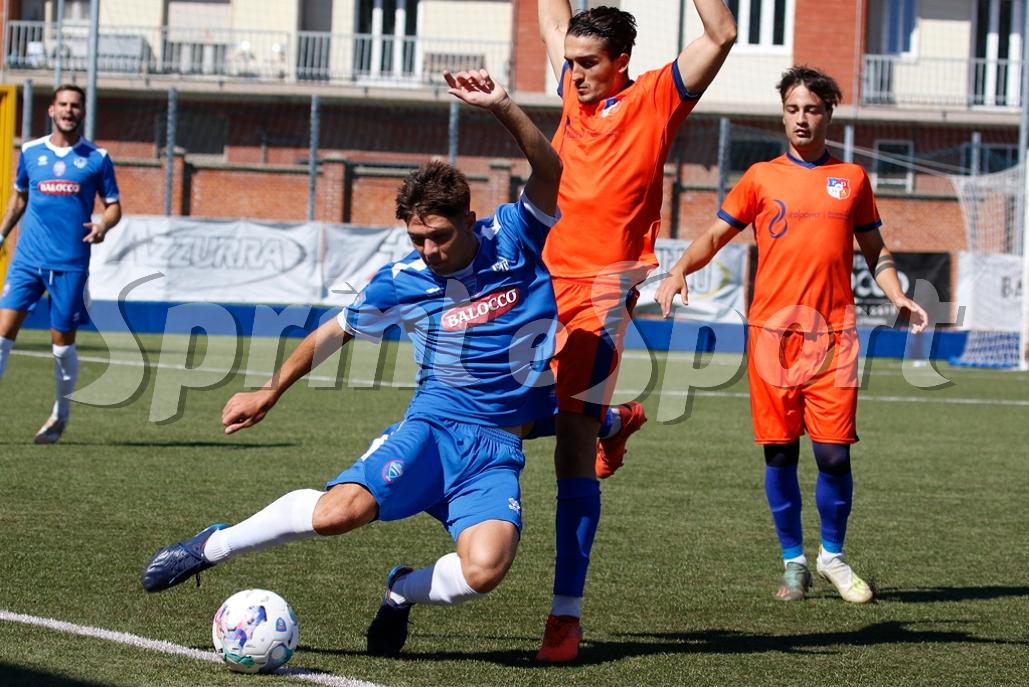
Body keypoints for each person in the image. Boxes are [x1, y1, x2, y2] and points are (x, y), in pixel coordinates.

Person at [140, 69, 563, 658]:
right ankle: (212, 546)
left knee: (484, 571)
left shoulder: (514, 236)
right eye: (416, 239)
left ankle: (400, 591)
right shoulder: (401, 280)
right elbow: (334, 332)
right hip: (433, 428)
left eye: (439, 236)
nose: (428, 251)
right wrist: (270, 390)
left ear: (469, 220)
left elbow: (549, 169)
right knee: (339, 514)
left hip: (495, 449)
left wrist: (502, 107)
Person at [655, 66, 929, 604]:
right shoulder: (761, 177)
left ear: (829, 115)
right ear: (783, 115)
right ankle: (794, 562)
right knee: (779, 455)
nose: (802, 118)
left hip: (835, 337)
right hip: (772, 338)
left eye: (812, 109)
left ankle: (833, 557)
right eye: (793, 109)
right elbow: (715, 234)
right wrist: (679, 268)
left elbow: (877, 252)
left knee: (834, 457)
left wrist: (897, 294)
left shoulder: (852, 179)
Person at [534, 1, 736, 662]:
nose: (574, 74)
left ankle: (564, 616)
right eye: (570, 62)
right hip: (537, 281)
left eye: (589, 63)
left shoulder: (656, 96)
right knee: (495, 413)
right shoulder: (572, 86)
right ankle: (614, 421)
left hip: (601, 290)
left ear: (621, 60)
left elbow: (722, 33)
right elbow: (551, 21)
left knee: (569, 449)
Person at [0, 84, 121, 444]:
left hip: (70, 264)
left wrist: (103, 226)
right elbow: (18, 199)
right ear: (51, 110)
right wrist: (2, 234)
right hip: (27, 260)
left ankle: (59, 416)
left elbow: (114, 206)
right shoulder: (31, 152)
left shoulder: (97, 157)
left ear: (82, 112)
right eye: (63, 104)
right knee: (2, 336)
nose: (69, 110)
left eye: (75, 105)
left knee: (61, 346)